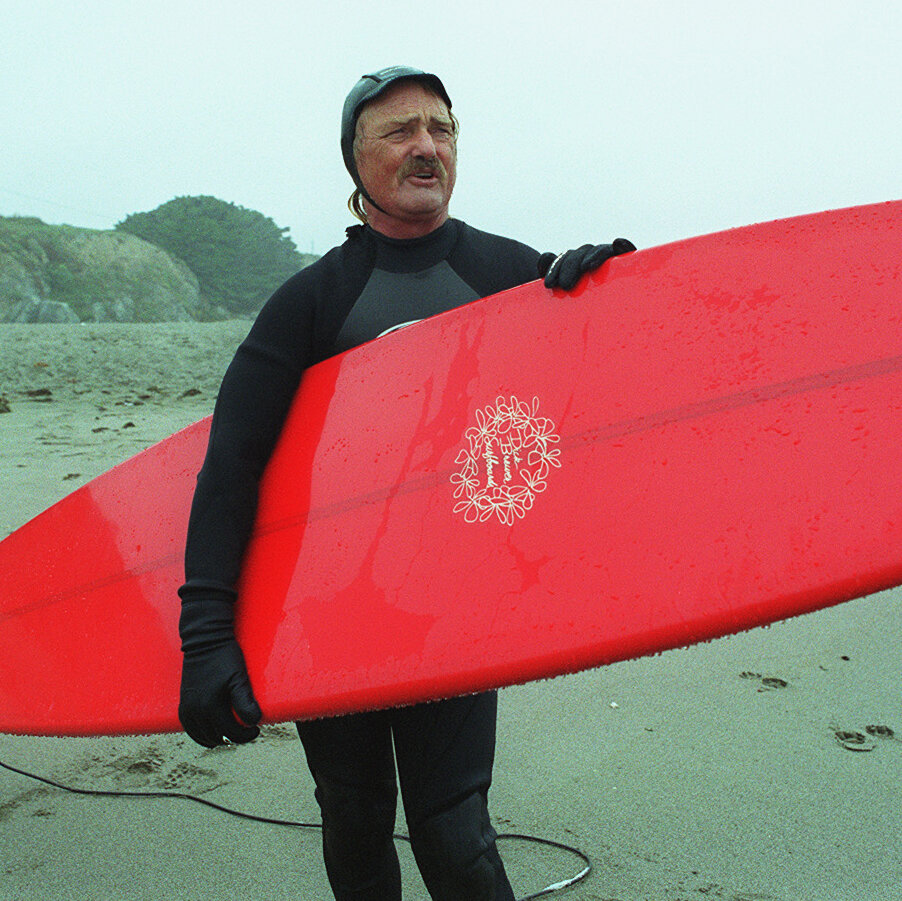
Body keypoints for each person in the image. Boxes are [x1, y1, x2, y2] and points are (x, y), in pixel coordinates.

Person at [177, 65, 635, 901]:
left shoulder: (515, 274)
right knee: (352, 816)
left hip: (455, 606)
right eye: (398, 131)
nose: (427, 146)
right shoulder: (311, 301)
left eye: (442, 128)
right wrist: (206, 634)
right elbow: (231, 465)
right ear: (355, 160)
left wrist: (610, 293)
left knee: (455, 828)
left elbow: (600, 409)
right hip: (331, 604)